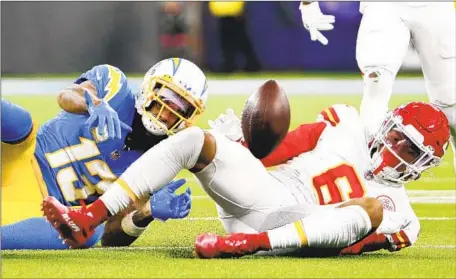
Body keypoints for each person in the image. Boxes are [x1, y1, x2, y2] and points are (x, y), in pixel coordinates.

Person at [41, 83, 450, 254]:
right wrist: (240, 145)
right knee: (195, 140)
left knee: (371, 211)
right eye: (397, 138)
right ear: (388, 127)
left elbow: (351, 246)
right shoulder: (344, 123)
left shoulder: (405, 219)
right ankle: (87, 217)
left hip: (298, 235)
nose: (397, 152)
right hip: (265, 196)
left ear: (424, 165)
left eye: (411, 152)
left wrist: (296, 238)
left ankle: (245, 247)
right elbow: (276, 151)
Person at [1, 57, 208, 249]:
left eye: (179, 110)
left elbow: (109, 236)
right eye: (165, 98)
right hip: (21, 159)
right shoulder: (114, 86)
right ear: (149, 87)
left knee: (88, 233)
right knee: (20, 123)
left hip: (41, 207)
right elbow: (66, 95)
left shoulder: (161, 159)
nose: (164, 113)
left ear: (188, 118)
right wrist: (94, 103)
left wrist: (146, 213)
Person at [298, 1, 456, 173]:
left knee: (451, 100)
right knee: (376, 85)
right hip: (384, 6)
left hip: (436, 7)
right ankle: (370, 176)